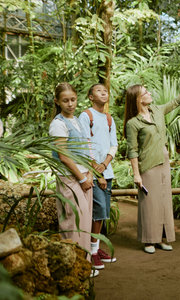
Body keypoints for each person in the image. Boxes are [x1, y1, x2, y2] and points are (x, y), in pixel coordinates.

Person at [124, 71, 180, 254]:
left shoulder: (157, 110)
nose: (149, 93)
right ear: (138, 99)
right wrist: (136, 174)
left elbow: (176, 102)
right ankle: (149, 240)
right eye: (145, 92)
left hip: (164, 162)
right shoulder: (133, 123)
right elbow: (132, 150)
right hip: (148, 166)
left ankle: (162, 239)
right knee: (149, 203)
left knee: (164, 201)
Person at [49, 83, 98, 276]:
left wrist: (90, 174)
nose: (70, 104)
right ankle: (71, 267)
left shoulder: (77, 120)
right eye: (65, 100)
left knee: (85, 222)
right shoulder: (58, 124)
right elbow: (63, 156)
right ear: (57, 101)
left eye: (73, 99)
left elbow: (86, 149)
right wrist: (80, 178)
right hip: (70, 178)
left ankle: (83, 265)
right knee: (73, 223)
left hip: (85, 176)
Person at [79, 83, 118, 271]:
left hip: (106, 171)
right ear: (90, 96)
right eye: (98, 91)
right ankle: (91, 252)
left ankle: (95, 248)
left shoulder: (109, 119)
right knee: (98, 209)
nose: (104, 92)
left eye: (105, 91)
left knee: (102, 213)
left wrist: (105, 165)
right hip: (92, 173)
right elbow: (84, 145)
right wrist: (97, 172)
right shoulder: (86, 116)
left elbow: (114, 145)